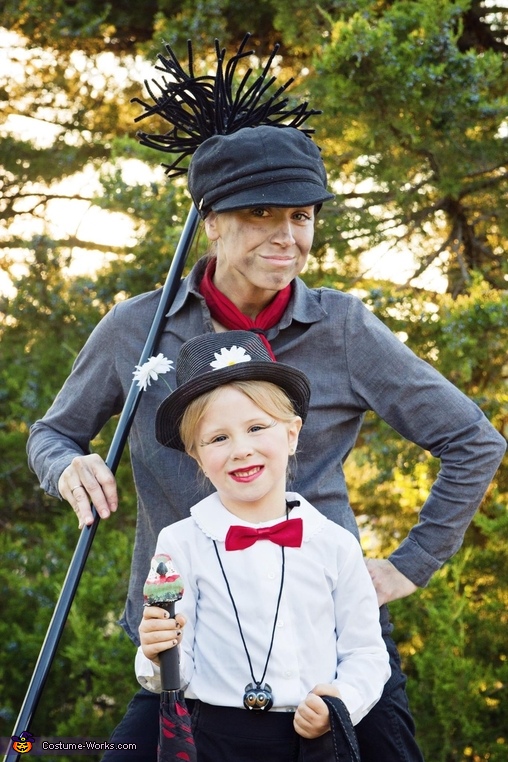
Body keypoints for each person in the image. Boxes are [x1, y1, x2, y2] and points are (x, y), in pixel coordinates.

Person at [27, 124, 506, 761]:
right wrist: (66, 466)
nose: (286, 236)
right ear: (211, 222)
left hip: (327, 635)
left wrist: (406, 567)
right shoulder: (135, 330)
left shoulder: (343, 328)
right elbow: (53, 433)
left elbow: (473, 440)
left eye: (301, 215)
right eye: (259, 214)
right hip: (187, 634)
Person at [136, 330, 390, 761]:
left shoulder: (334, 544)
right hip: (214, 737)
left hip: (312, 738)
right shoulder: (181, 543)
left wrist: (341, 699)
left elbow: (366, 652)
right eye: (218, 438)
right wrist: (157, 653)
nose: (241, 449)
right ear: (196, 455)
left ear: (291, 435)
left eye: (257, 427)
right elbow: (177, 666)